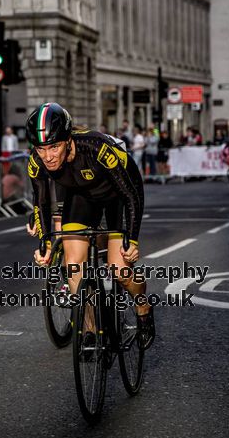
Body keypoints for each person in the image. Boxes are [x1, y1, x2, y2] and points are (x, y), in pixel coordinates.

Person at [26, 102, 155, 350]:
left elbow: (131, 195)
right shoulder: (37, 161)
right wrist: (45, 243)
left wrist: (133, 240)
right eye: (41, 149)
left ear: (67, 139)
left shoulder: (95, 147)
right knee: (74, 266)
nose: (48, 156)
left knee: (119, 270)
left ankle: (142, 304)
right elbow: (40, 201)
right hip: (83, 197)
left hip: (118, 196)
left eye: (54, 147)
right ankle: (90, 329)